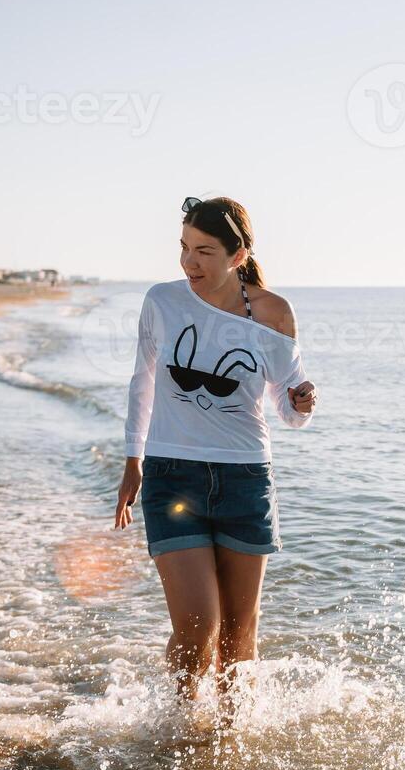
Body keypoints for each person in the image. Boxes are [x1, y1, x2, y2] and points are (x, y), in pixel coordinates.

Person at [114, 195, 318, 710]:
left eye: (204, 251)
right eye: (184, 248)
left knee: (237, 632)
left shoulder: (273, 312)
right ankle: (182, 727)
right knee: (196, 625)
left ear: (238, 255)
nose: (188, 263)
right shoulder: (162, 301)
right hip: (171, 475)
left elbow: (289, 413)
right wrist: (132, 458)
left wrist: (301, 402)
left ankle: (228, 738)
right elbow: (142, 382)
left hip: (246, 479)